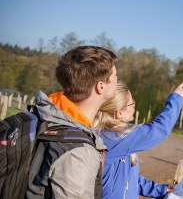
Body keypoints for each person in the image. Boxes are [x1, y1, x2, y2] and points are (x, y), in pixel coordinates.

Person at [26, 46, 118, 199]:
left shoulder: (45, 115)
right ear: (100, 86)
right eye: (115, 76)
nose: (117, 80)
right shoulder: (80, 153)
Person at [93, 81, 183, 199]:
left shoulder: (118, 138)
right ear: (119, 113)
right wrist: (176, 98)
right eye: (131, 103)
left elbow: (130, 180)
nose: (134, 104)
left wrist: (160, 190)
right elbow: (157, 131)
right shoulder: (112, 138)